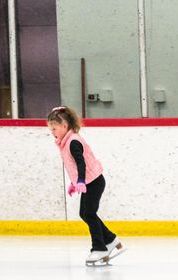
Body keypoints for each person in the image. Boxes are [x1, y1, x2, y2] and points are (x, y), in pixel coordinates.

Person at [47, 106, 124, 264]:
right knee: (85, 213)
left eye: (54, 128)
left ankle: (100, 248)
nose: (52, 132)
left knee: (88, 213)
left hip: (93, 182)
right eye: (50, 129)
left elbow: (81, 164)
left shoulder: (73, 142)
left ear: (64, 126)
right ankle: (110, 240)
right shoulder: (66, 141)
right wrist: (75, 183)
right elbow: (75, 166)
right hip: (90, 181)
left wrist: (81, 181)